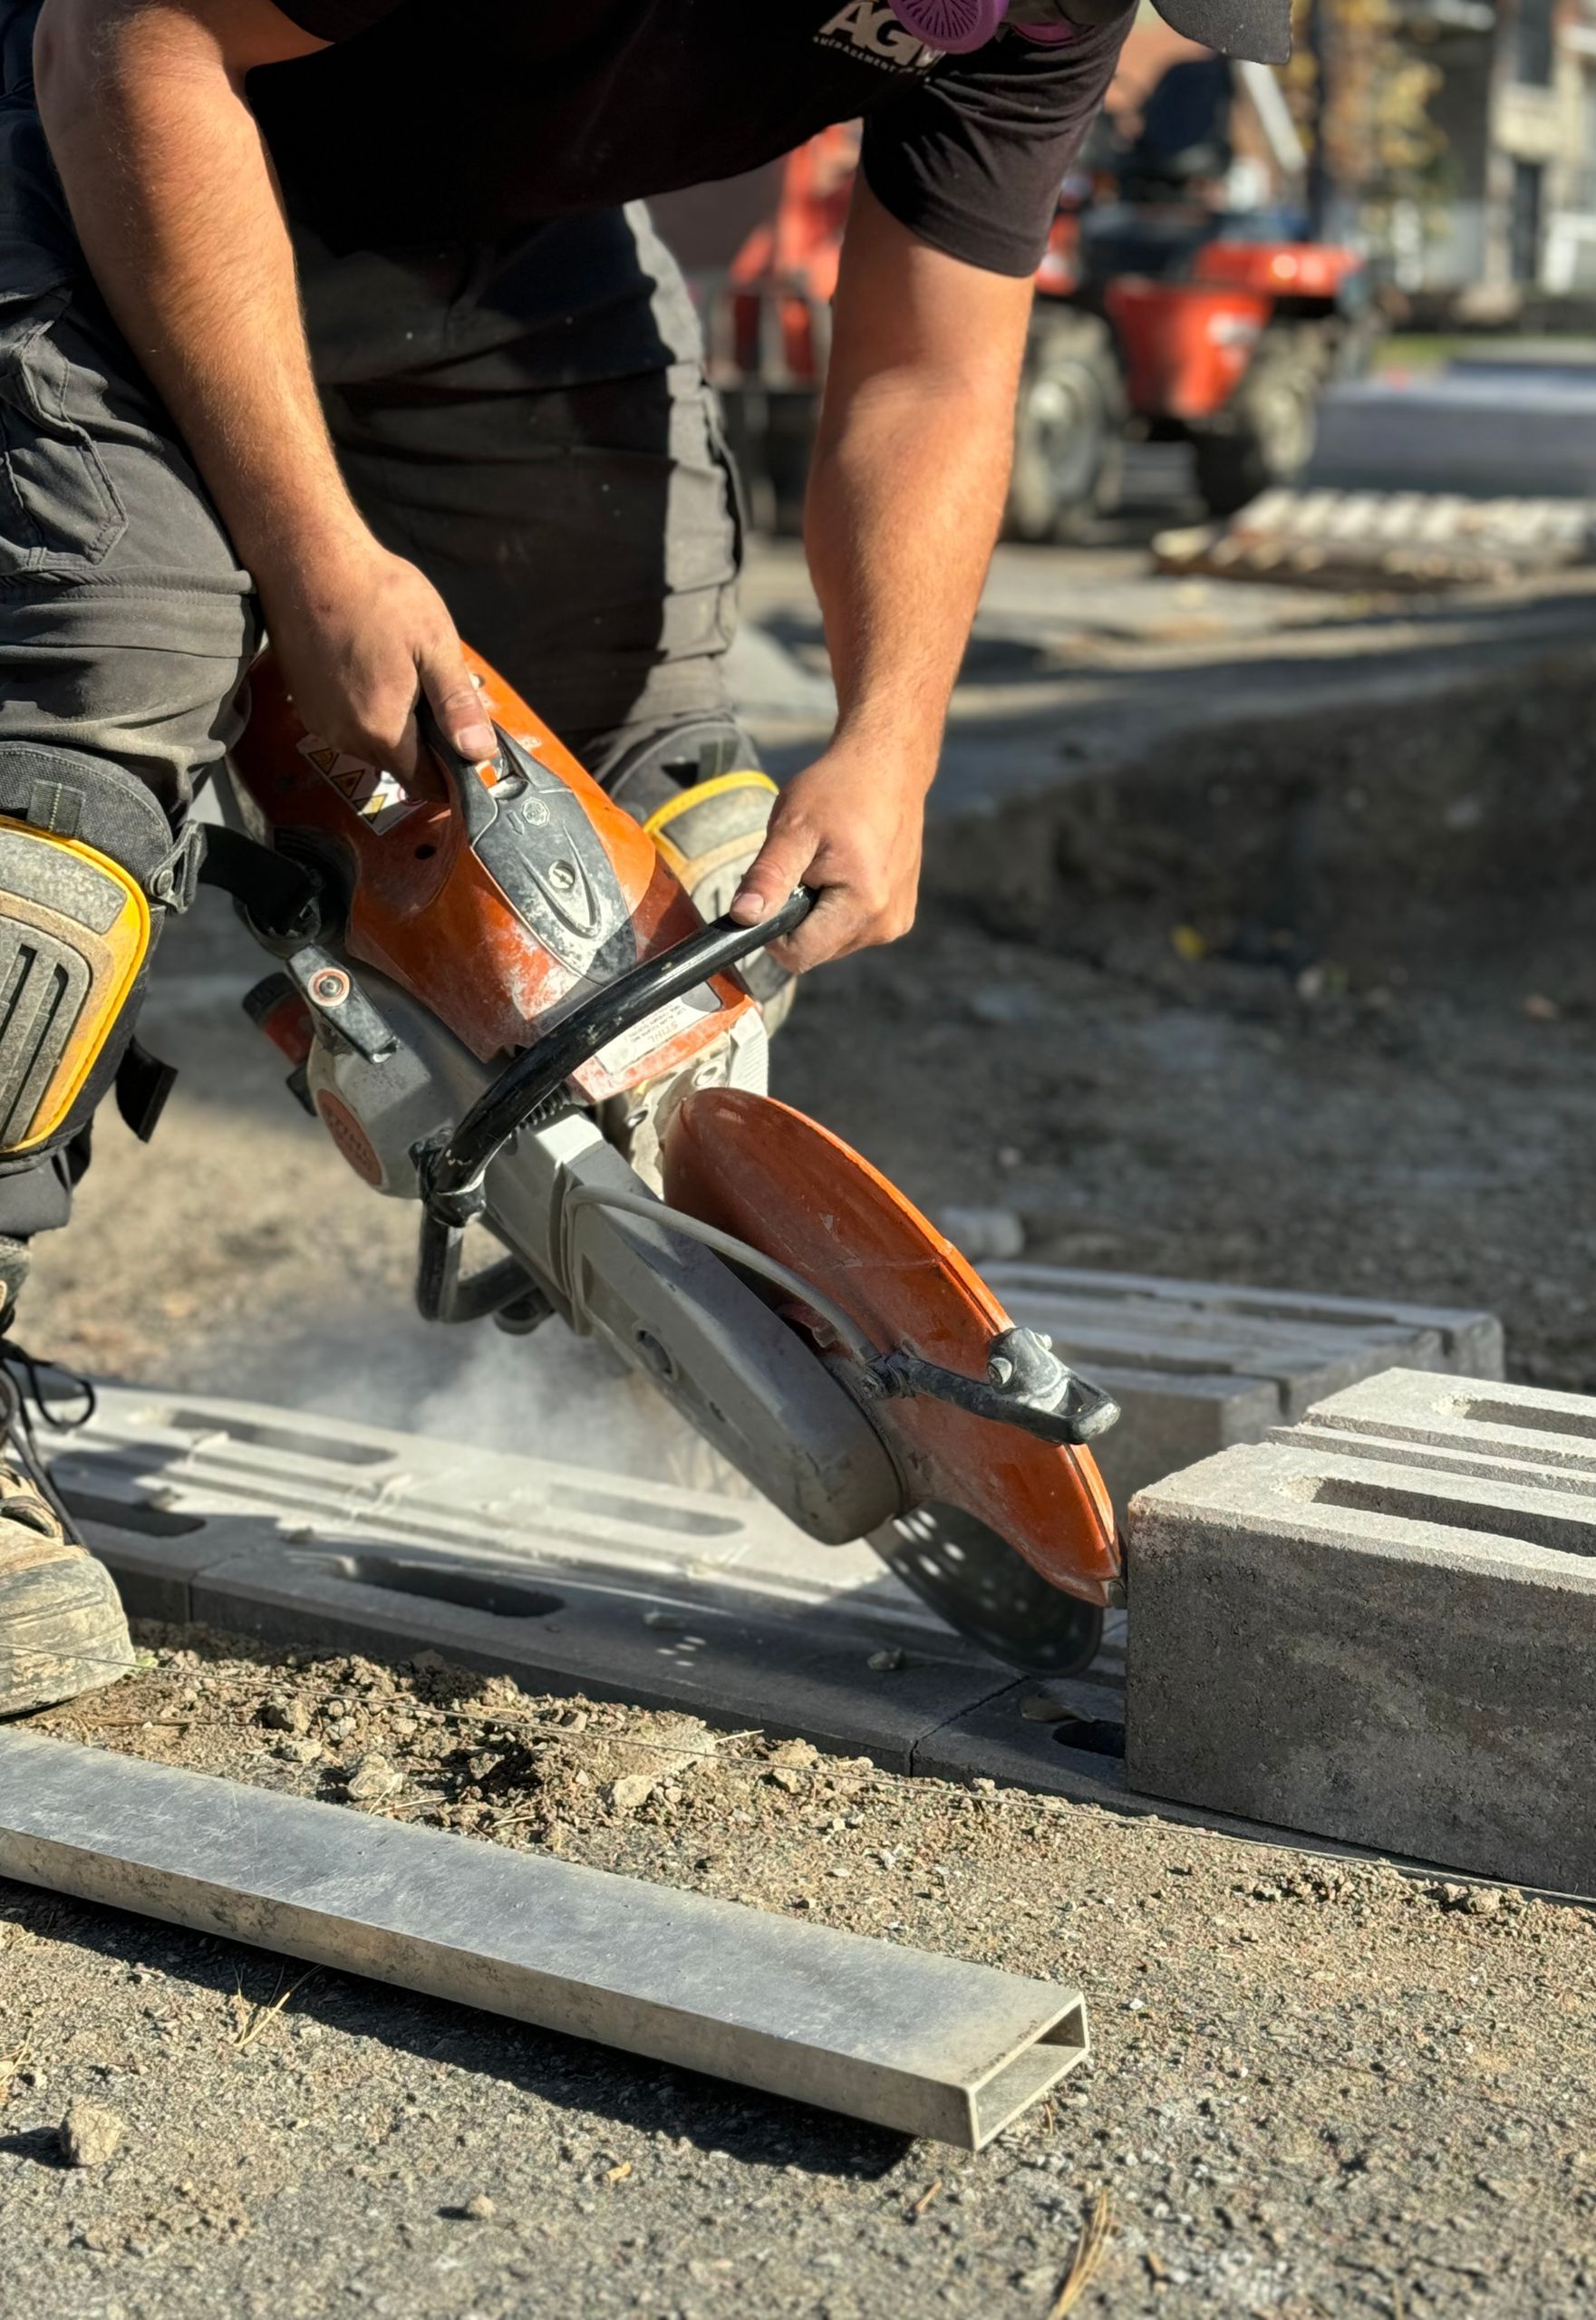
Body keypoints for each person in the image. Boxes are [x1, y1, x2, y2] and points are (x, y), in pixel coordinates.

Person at [0, 0, 1287, 1715]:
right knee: (87, 749)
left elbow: (933, 360)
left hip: (489, 250)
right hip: (85, 146)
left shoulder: (1042, 11)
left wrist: (890, 737)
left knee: (664, 833)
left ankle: (651, 1312)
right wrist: (315, 559)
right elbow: (126, 42)